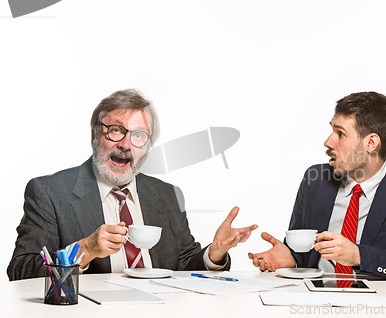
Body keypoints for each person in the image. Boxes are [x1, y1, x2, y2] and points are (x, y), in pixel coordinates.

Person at [8, 89, 257, 281]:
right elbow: (19, 271)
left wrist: (214, 254)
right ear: (94, 135)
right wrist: (84, 250)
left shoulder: (168, 195)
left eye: (138, 136)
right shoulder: (49, 192)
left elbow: (184, 266)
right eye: (116, 130)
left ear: (148, 147)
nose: (126, 145)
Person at [248, 91, 386, 280]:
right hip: (314, 300)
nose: (328, 142)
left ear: (371, 143)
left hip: (377, 305)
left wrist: (359, 256)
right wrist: (291, 258)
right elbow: (304, 253)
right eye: (331, 130)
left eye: (340, 134)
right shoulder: (315, 180)